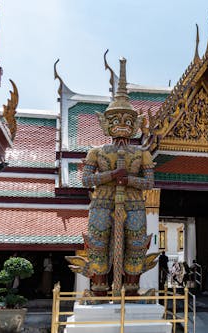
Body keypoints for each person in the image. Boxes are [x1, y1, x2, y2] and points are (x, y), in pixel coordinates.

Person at [65, 58, 157, 296]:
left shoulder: (142, 154)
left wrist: (128, 180)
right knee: (98, 244)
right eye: (116, 120)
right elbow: (86, 180)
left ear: (136, 124)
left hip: (135, 202)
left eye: (128, 120)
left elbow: (149, 183)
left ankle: (132, 288)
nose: (122, 125)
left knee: (135, 245)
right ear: (106, 124)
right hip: (103, 201)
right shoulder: (96, 152)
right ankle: (98, 288)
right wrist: (111, 175)